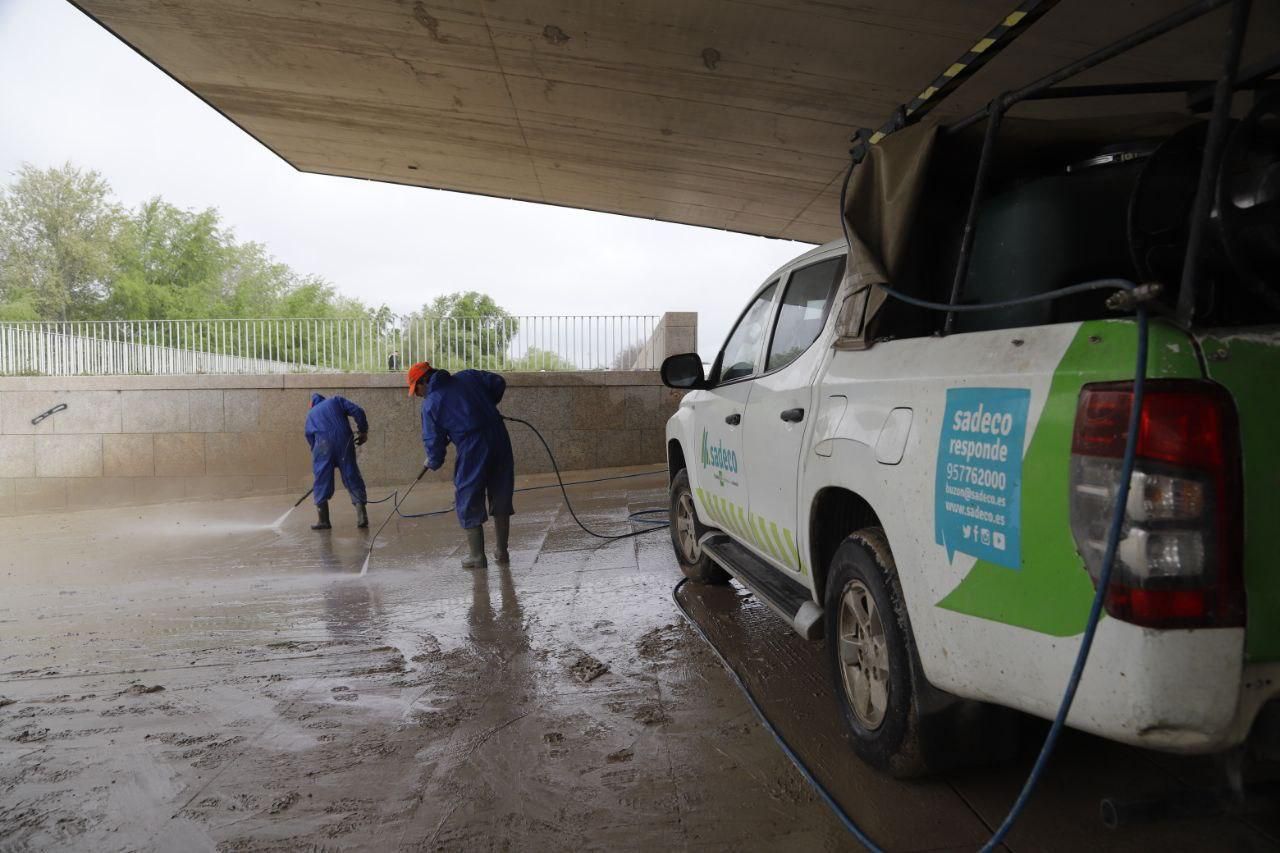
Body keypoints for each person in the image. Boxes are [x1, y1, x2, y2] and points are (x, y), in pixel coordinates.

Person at [408, 361, 514, 569]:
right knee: (501, 490)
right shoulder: (468, 376)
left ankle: (477, 556)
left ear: (423, 381)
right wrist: (487, 406)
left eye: (416, 389)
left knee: (468, 494)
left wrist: (433, 460)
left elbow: (433, 442)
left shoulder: (431, 404)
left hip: (472, 446)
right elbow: (498, 382)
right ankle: (502, 552)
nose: (418, 395)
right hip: (499, 436)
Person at [305, 393, 370, 530]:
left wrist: (321, 458)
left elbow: (310, 437)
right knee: (351, 473)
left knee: (321, 480)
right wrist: (363, 431)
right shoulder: (336, 400)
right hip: (343, 440)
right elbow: (358, 411)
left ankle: (323, 520)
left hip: (322, 445)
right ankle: (362, 516)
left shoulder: (311, 414)